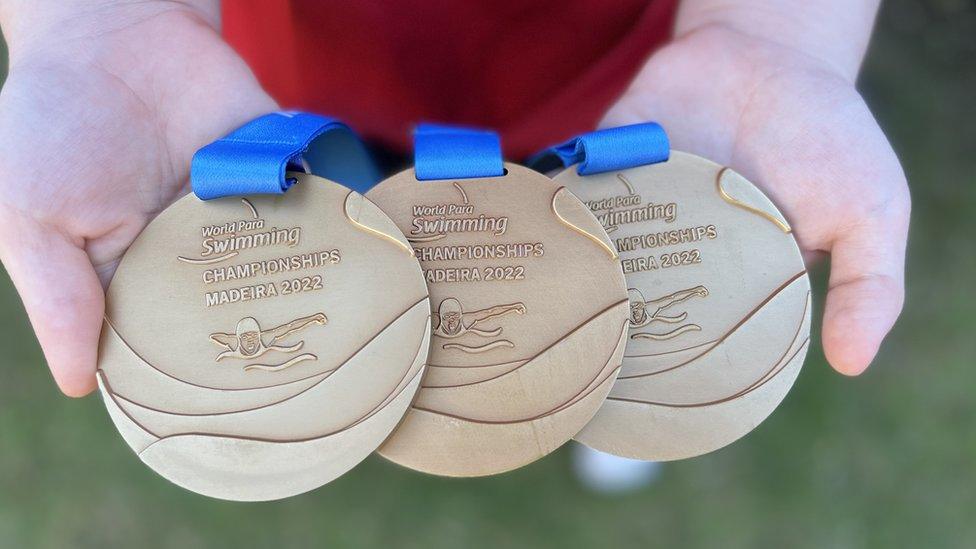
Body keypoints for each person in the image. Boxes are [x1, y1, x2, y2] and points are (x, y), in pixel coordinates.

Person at [0, 1, 908, 403]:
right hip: (270, 98)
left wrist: (775, 29)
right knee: (350, 246)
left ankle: (617, 380)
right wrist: (89, 19)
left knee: (572, 263)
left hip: (616, 106)